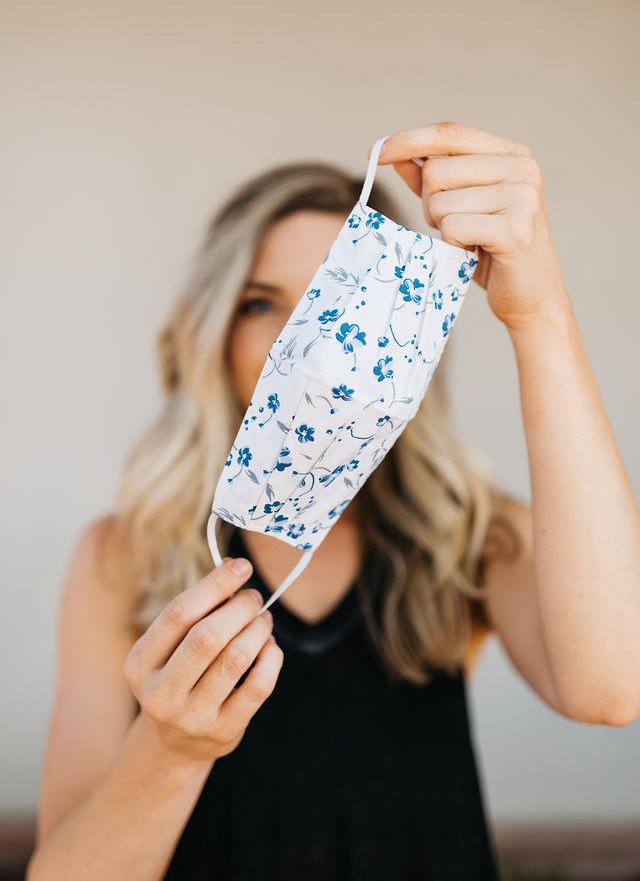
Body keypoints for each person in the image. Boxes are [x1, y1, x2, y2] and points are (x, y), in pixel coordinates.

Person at [28, 122, 640, 881]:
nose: (307, 341)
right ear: (213, 333)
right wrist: (169, 750)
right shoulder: (125, 558)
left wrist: (539, 315)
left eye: (340, 299)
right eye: (262, 304)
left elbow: (616, 689)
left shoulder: (468, 539)